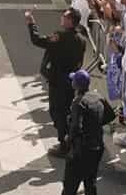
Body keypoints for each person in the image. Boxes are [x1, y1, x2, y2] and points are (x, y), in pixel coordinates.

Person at [38, 70, 116, 195]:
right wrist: (94, 125)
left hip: (82, 150)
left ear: (75, 86)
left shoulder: (78, 102)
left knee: (70, 185)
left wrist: (68, 141)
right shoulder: (97, 97)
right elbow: (110, 115)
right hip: (96, 148)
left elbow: (76, 127)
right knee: (90, 184)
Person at [26, 9, 87, 157]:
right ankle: (70, 140)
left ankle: (64, 144)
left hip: (58, 81)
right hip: (72, 81)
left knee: (58, 113)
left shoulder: (60, 37)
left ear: (71, 21)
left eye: (65, 17)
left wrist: (31, 23)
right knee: (68, 111)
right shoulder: (82, 39)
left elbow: (38, 40)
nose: (62, 18)